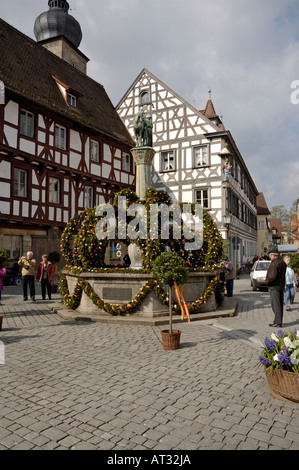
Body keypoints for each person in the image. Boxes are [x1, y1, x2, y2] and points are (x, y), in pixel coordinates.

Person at [265, 246, 286, 327]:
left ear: (273, 255)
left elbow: (272, 276)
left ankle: (278, 322)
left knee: (275, 305)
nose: (270, 257)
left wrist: (267, 282)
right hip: (281, 286)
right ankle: (278, 321)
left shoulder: (274, 263)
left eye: (270, 255)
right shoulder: (282, 262)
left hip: (274, 286)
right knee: (280, 305)